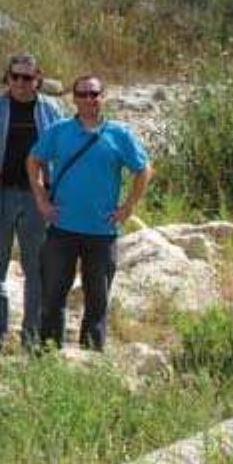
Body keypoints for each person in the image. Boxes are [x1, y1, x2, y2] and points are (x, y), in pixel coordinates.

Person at [27, 75, 154, 351]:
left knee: (97, 300)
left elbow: (143, 170)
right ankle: (49, 354)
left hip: (102, 232)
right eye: (82, 94)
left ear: (103, 97)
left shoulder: (119, 134)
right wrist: (41, 200)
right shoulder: (59, 131)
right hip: (62, 228)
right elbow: (34, 160)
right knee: (52, 296)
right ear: (74, 98)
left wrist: (128, 207)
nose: (88, 99)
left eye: (94, 94)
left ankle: (91, 357)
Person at [0, 54, 66, 351]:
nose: (19, 83)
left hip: (36, 199)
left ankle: (32, 338)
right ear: (7, 77)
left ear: (38, 79)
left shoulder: (51, 110)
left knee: (37, 271)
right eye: (14, 76)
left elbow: (61, 153)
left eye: (26, 77)